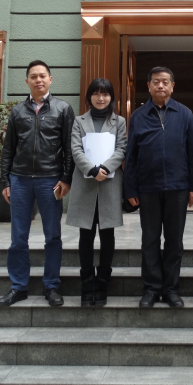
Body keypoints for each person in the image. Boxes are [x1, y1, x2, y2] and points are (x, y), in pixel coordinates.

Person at [0, 60, 75, 307]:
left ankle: (51, 286)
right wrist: (5, 180)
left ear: (50, 79)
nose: (38, 80)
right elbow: (8, 149)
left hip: (50, 180)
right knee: (18, 237)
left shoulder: (63, 109)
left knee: (53, 236)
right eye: (33, 76)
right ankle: (18, 287)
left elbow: (70, 148)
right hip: (20, 180)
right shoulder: (17, 111)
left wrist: (66, 178)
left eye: (43, 76)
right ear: (27, 81)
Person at [124, 67, 193, 309]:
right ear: (148, 86)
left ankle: (171, 289)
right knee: (150, 240)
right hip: (148, 187)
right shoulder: (138, 116)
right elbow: (131, 155)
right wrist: (130, 189)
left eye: (165, 82)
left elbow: (192, 152)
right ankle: (151, 289)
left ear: (172, 86)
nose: (160, 85)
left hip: (178, 187)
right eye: (156, 82)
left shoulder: (185, 113)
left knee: (174, 241)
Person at [66, 78, 127, 307]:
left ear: (111, 97)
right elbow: (75, 149)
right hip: (86, 183)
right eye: (96, 94)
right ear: (89, 96)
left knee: (108, 235)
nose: (101, 98)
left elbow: (122, 148)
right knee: (86, 235)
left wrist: (105, 168)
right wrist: (91, 169)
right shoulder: (79, 121)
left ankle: (103, 283)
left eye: (105, 94)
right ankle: (87, 284)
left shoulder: (119, 121)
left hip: (110, 184)